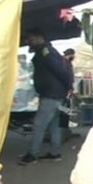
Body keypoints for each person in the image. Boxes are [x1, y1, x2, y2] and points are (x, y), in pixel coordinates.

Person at [19, 29, 73, 165]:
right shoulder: (46, 52)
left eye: (31, 39)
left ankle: (32, 154)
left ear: (39, 38)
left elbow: (60, 71)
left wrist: (68, 85)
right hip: (55, 94)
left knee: (39, 125)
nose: (28, 42)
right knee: (54, 125)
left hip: (51, 95)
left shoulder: (46, 53)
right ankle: (55, 153)